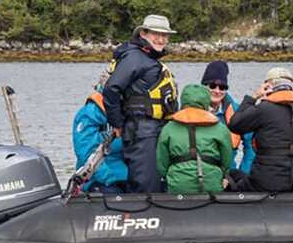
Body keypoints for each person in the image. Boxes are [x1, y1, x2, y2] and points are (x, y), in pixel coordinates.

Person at [102, 13, 179, 193]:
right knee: (146, 183)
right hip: (142, 132)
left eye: (164, 35)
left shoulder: (147, 59)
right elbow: (111, 89)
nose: (161, 39)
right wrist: (117, 123)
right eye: (155, 34)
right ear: (143, 34)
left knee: (156, 179)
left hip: (152, 129)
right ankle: (142, 216)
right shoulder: (135, 58)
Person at [226, 66, 293, 193]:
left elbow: (235, 125)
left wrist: (253, 97)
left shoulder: (264, 109)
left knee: (233, 176)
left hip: (266, 182)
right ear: (291, 87)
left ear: (267, 86)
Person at [156, 84, 235, 193]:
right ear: (206, 102)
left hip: (178, 185)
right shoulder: (220, 128)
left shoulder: (168, 128)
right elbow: (227, 161)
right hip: (212, 183)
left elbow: (161, 165)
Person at [71, 70, 129, 193]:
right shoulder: (89, 114)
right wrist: (109, 178)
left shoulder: (128, 111)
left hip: (126, 175)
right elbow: (85, 152)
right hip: (99, 179)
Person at [201, 60, 252, 177]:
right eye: (212, 86)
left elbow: (250, 144)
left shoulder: (237, 111)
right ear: (203, 86)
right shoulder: (188, 111)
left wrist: (243, 173)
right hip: (197, 174)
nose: (217, 91)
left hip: (229, 175)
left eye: (223, 87)